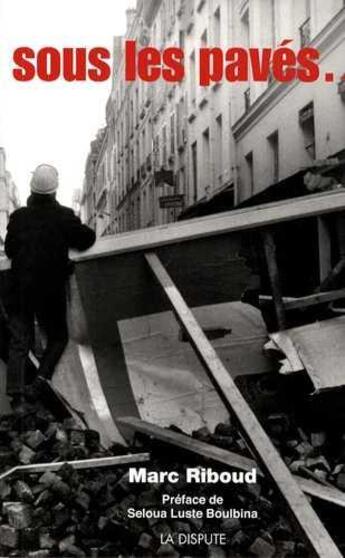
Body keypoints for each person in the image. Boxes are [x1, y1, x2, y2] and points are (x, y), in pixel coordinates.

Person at [4, 164, 96, 399]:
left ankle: (16, 394)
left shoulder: (18, 217)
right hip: (49, 289)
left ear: (32, 189)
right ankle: (39, 382)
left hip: (19, 289)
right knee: (58, 337)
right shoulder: (63, 216)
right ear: (55, 190)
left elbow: (12, 249)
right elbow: (86, 239)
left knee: (19, 341)